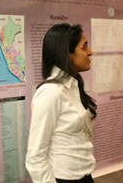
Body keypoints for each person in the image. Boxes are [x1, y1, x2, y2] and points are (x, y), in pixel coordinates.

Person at [26, 23, 97, 183]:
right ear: (68, 55)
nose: (90, 52)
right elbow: (35, 156)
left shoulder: (73, 86)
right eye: (84, 47)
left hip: (85, 177)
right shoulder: (50, 93)